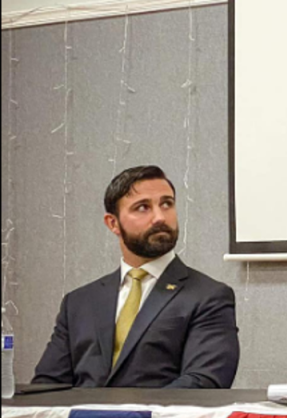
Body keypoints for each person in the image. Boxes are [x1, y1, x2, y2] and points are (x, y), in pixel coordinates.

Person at [33, 165, 240, 388]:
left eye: (167, 204)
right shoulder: (78, 302)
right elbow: (47, 385)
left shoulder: (208, 296)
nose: (160, 217)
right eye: (143, 207)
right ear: (113, 223)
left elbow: (203, 382)